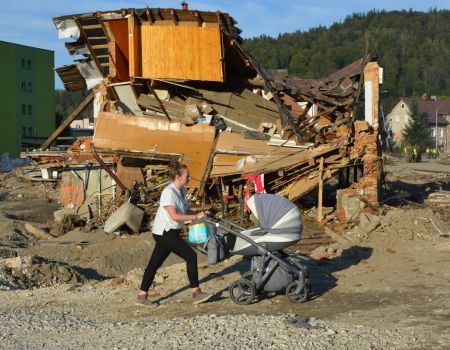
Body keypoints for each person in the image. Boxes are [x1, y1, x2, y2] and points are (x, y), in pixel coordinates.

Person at [136, 161, 213, 306]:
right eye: (187, 176)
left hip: (172, 232)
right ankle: (196, 293)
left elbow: (184, 211)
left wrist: (199, 213)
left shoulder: (182, 190)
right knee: (191, 256)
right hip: (164, 232)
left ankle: (141, 296)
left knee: (154, 264)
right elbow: (175, 216)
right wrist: (195, 217)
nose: (189, 178)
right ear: (178, 176)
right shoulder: (168, 192)